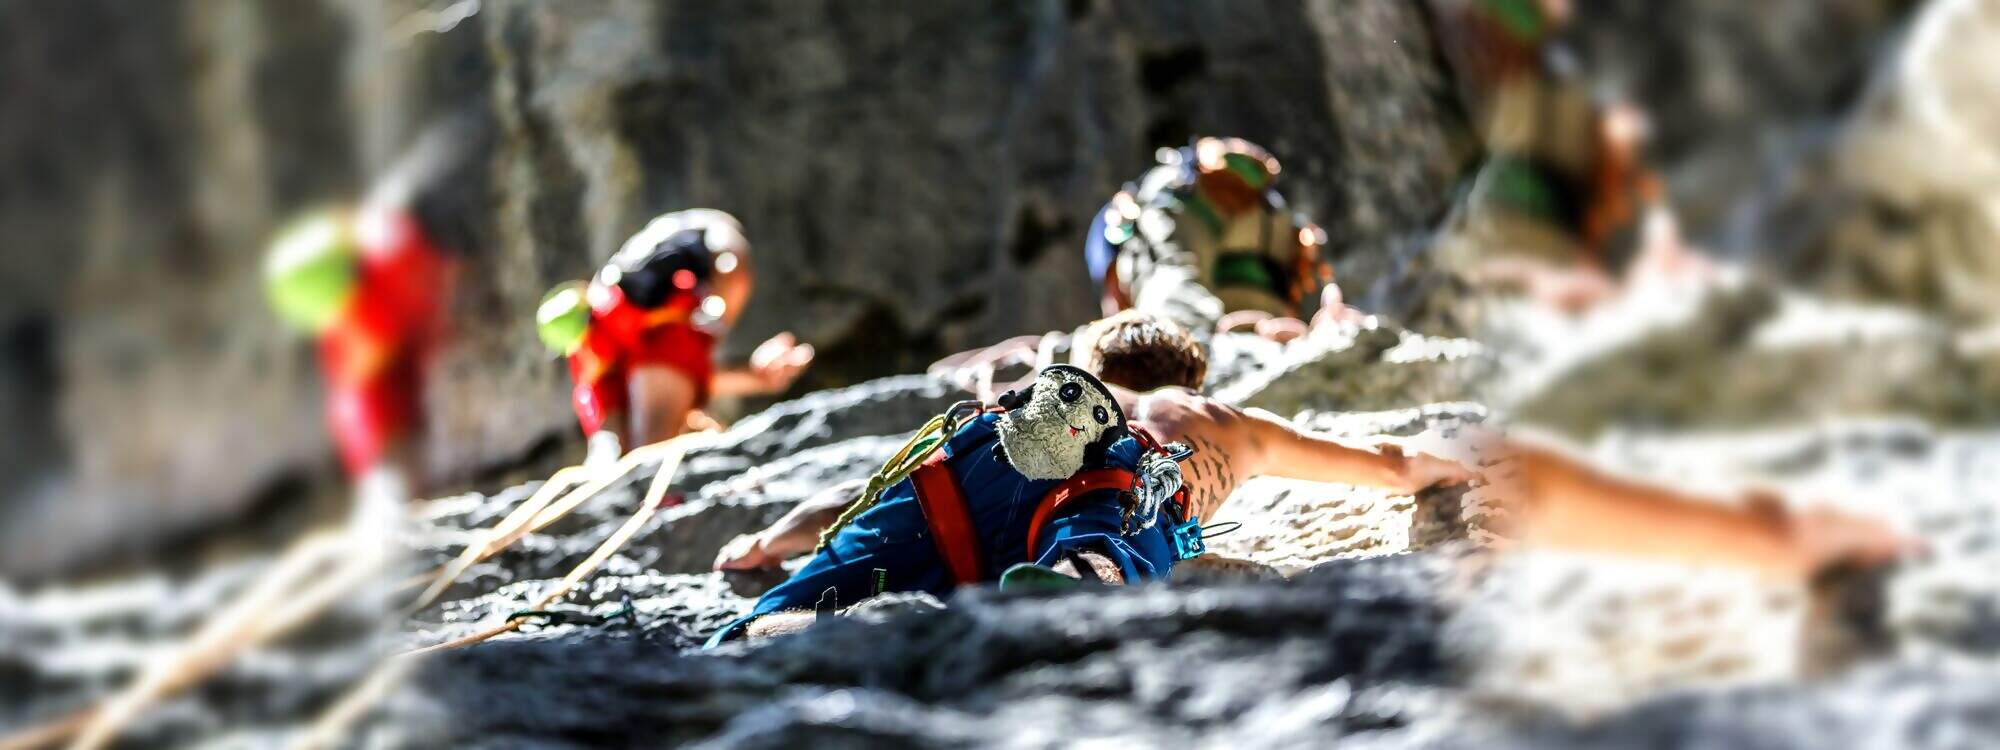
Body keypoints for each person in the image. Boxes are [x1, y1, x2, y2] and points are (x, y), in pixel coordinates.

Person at [717, 312, 1910, 628]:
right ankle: (1078, 583)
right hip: (1102, 484)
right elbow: (1380, 464)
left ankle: (780, 609)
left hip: (965, 474)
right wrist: (1441, 469)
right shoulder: (1207, 416)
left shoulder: (1032, 386)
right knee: (1119, 521)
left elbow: (878, 485)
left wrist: (777, 537)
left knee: (874, 546)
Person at [537, 209, 814, 466]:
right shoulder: (633, 315)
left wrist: (604, 450)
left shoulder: (615, 325)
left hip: (675, 342)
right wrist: (756, 378)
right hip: (683, 333)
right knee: (647, 451)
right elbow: (677, 372)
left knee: (648, 453)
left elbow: (665, 373)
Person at [1086, 136, 1336, 340]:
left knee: (1170, 304)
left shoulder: (1124, 222)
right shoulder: (1276, 211)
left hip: (1185, 199)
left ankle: (1194, 336)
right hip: (1269, 238)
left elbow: (1152, 287)